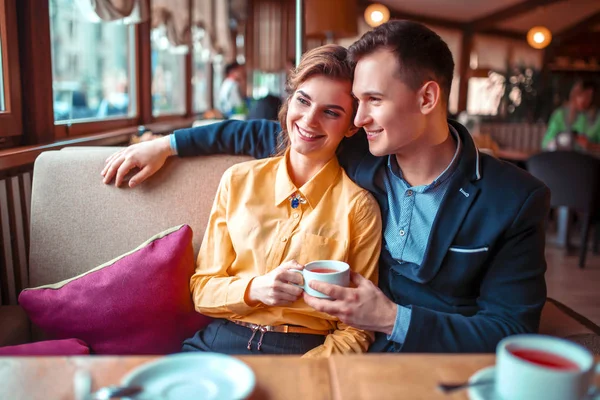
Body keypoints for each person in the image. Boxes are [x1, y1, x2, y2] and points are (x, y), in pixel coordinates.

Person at [102, 20, 550, 353]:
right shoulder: (359, 149)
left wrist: (394, 319)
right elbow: (260, 133)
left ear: (427, 98)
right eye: (355, 105)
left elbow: (512, 331)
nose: (357, 118)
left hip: (425, 359)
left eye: (372, 100)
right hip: (320, 348)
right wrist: (166, 145)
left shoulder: (513, 199)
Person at [173, 45, 383, 357]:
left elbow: (358, 326)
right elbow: (201, 290)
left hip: (301, 350)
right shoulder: (238, 181)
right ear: (290, 99)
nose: (309, 121)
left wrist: (306, 374)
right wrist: (254, 288)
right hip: (220, 339)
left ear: (351, 125)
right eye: (303, 100)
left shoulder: (359, 208)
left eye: (330, 112)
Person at [542, 80, 597, 150]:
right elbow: (545, 144)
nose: (584, 100)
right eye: (581, 95)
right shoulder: (560, 115)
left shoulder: (597, 118)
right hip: (562, 157)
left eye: (589, 96)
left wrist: (590, 145)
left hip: (587, 159)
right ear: (574, 95)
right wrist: (560, 141)